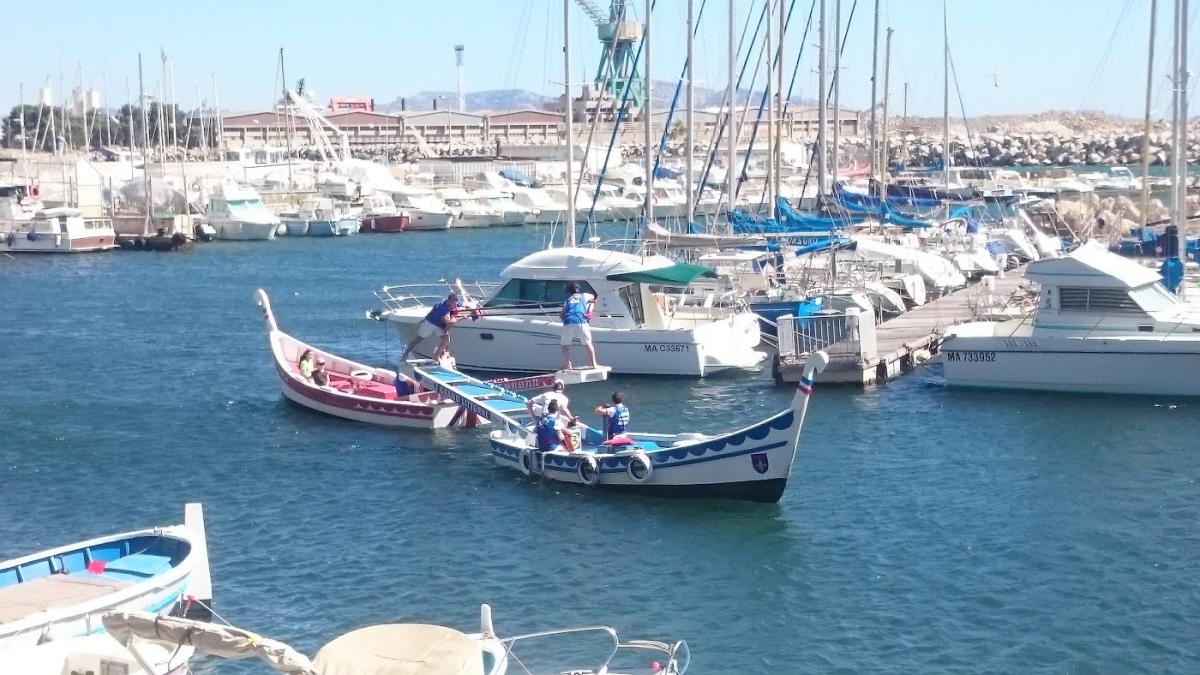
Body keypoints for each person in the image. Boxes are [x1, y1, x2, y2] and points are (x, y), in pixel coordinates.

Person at [399, 292, 462, 364]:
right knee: (418, 339)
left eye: (456, 301)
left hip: (438, 324)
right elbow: (449, 322)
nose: (456, 304)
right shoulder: (442, 308)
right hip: (430, 322)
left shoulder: (451, 302)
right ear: (450, 300)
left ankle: (436, 356)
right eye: (455, 302)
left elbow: (460, 305)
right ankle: (405, 355)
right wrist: (461, 318)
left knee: (446, 339)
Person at [560, 283, 598, 370]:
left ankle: (568, 364)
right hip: (581, 321)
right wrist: (589, 307)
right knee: (588, 343)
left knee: (565, 345)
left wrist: (563, 319)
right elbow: (593, 297)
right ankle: (593, 364)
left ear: (569, 292)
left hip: (568, 321)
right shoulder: (584, 296)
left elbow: (562, 314)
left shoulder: (567, 300)